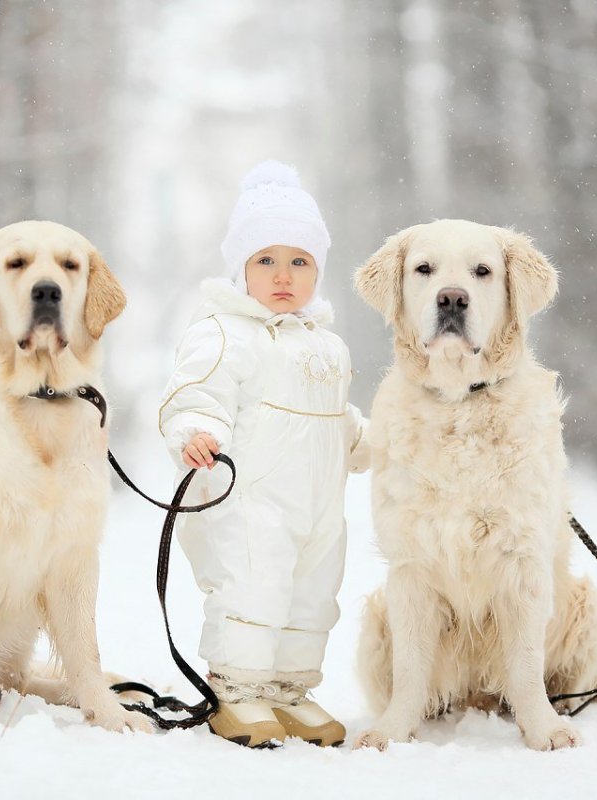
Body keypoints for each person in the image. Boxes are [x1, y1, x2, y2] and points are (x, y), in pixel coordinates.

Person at [159, 160, 368, 748]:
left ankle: (287, 690)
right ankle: (239, 689)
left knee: (312, 594)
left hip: (320, 506)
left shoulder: (327, 344)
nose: (284, 275)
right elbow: (196, 392)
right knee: (253, 586)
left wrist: (384, 439)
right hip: (253, 500)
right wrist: (196, 431)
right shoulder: (226, 331)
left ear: (318, 271)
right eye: (266, 261)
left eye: (299, 261)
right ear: (240, 269)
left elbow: (340, 419)